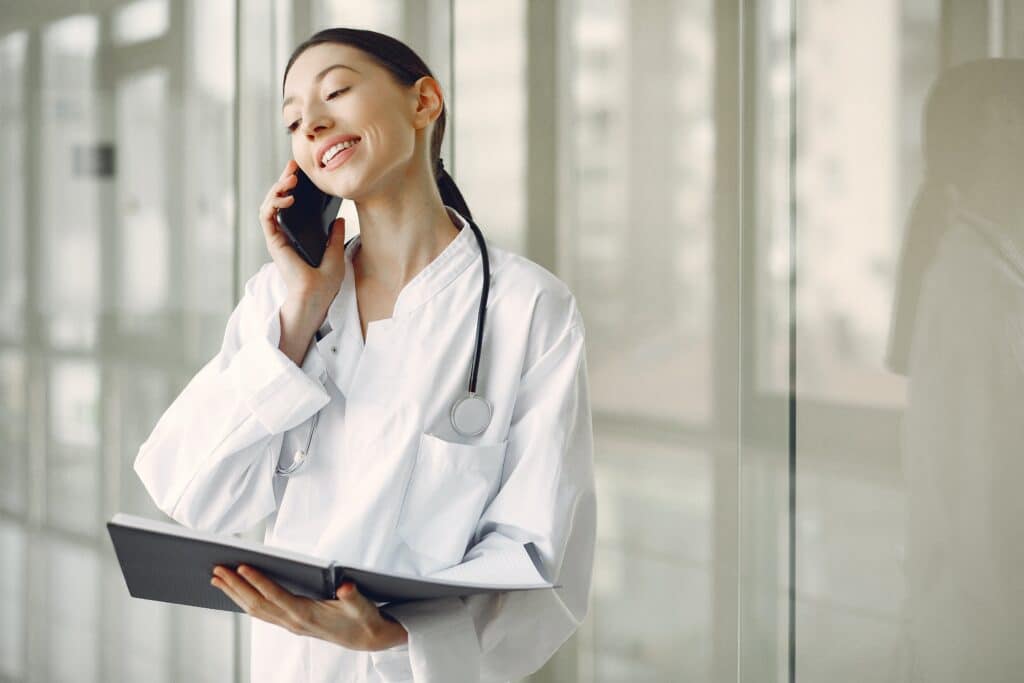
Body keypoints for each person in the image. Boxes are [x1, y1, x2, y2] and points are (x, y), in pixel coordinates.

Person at [133, 27, 596, 682]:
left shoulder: (528, 309)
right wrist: (299, 316)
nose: (313, 123)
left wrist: (396, 631)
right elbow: (194, 492)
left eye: (337, 91)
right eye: (294, 120)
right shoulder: (281, 299)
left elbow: (543, 551)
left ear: (424, 101)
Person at [886, 58, 1024, 682]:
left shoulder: (989, 279)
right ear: (1000, 126)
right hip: (985, 647)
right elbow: (983, 503)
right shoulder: (977, 291)